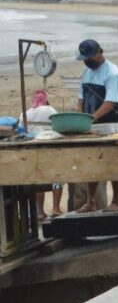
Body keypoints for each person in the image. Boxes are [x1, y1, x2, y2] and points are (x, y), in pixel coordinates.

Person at [75, 39, 118, 213]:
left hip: (113, 124)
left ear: (100, 53)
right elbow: (81, 97)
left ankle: (116, 201)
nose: (87, 61)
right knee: (93, 162)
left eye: (89, 58)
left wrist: (91, 117)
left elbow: (111, 102)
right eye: (84, 59)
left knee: (113, 162)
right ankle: (90, 202)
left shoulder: (112, 73)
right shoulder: (86, 72)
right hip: (92, 125)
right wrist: (79, 115)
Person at [20, 89, 62, 219]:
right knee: (56, 178)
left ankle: (40, 212)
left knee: (40, 180)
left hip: (34, 149)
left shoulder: (24, 114)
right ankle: (55, 208)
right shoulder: (49, 110)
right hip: (50, 148)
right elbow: (59, 123)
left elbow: (21, 129)